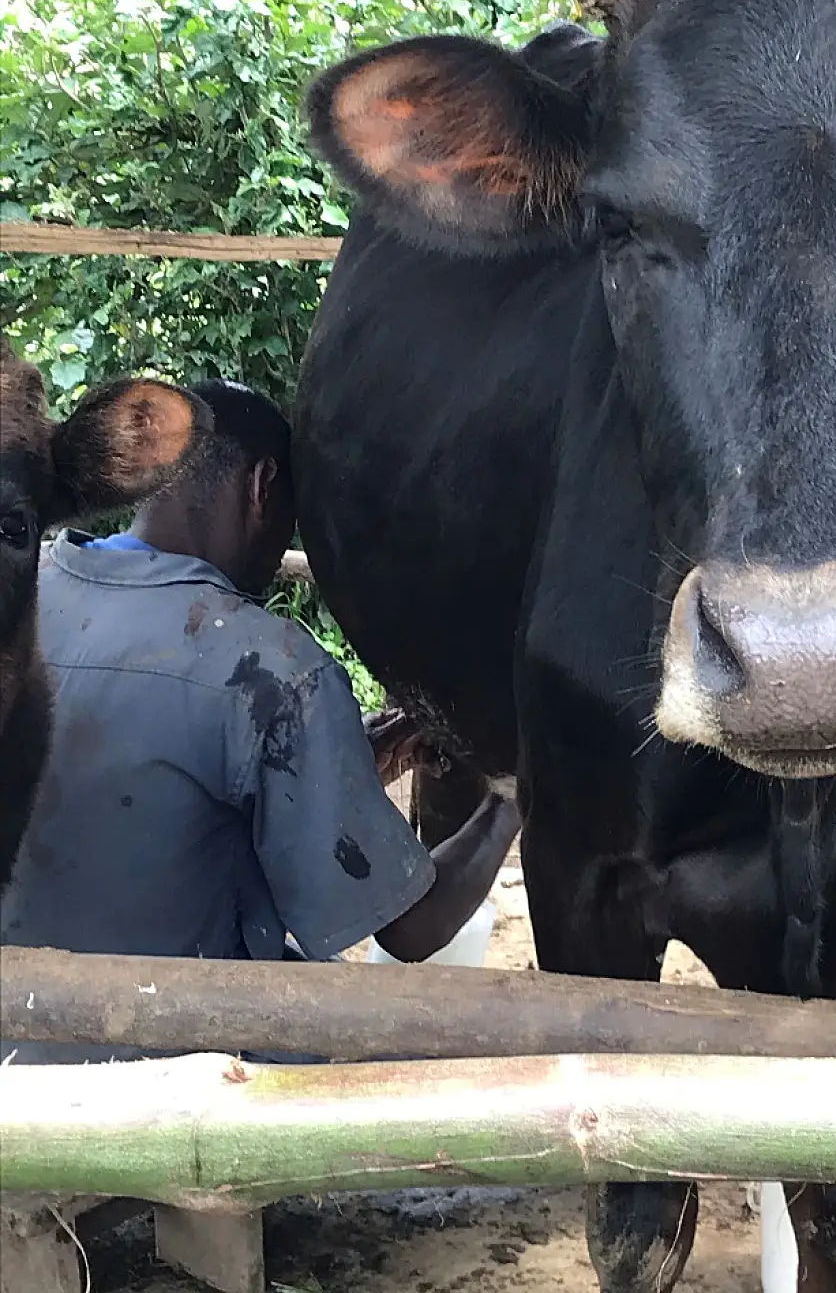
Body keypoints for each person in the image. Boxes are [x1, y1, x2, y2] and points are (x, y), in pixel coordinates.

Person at [0, 378, 519, 1063]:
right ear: (264, 486)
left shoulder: (35, 590)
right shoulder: (271, 670)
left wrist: (351, 764)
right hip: (172, 1084)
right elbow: (412, 930)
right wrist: (518, 796)